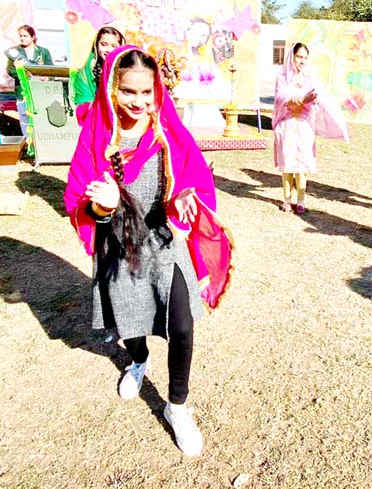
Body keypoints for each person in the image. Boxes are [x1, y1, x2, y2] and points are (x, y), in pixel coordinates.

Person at [64, 46, 233, 457]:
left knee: (182, 326)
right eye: (129, 92)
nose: (139, 103)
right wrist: (101, 206)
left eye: (147, 92)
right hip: (118, 249)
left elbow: (184, 187)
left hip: (162, 243)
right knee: (130, 326)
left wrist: (181, 203)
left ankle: (177, 406)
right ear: (110, 88)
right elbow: (78, 203)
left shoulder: (166, 132)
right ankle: (138, 361)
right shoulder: (97, 139)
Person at [272, 42, 349, 214]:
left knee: (302, 164)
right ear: (292, 57)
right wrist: (300, 99)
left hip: (304, 126)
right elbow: (280, 99)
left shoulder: (310, 78)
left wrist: (310, 101)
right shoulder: (283, 77)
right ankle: (286, 200)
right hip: (287, 124)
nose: (302, 61)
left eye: (305, 58)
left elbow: (320, 99)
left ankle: (301, 201)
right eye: (299, 57)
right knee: (288, 163)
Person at [5, 25, 53, 137]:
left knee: (41, 116)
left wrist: (47, 77)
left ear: (33, 37)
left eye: (25, 36)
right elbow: (10, 70)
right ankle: (28, 143)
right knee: (24, 117)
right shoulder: (14, 52)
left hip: (40, 91)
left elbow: (51, 70)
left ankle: (42, 142)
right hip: (23, 91)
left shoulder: (43, 52)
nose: (22, 38)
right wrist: (23, 73)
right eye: (20, 36)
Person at [71, 26, 125, 107]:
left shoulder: (128, 70)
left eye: (114, 46)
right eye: (104, 45)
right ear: (96, 45)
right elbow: (83, 103)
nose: (108, 50)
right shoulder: (86, 73)